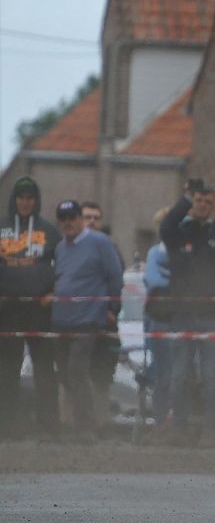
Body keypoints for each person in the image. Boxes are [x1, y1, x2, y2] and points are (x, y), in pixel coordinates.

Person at [160, 180, 215, 445]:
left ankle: (212, 431)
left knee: (211, 375)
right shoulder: (179, 233)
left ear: (213, 208)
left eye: (207, 202)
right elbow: (165, 226)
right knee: (179, 374)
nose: (202, 205)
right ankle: (179, 429)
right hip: (183, 314)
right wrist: (186, 198)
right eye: (198, 201)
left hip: (212, 314)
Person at [49, 200, 123, 439]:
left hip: (88, 319)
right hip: (61, 319)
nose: (68, 223)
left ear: (80, 218)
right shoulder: (60, 247)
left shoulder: (100, 242)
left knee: (78, 370)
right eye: (63, 219)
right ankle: (70, 423)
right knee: (64, 374)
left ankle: (86, 427)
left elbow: (115, 275)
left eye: (72, 217)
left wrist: (113, 307)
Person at [0, 176, 61, 438]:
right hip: (7, 310)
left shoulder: (49, 231)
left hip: (40, 309)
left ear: (36, 200)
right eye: (21, 197)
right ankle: (7, 426)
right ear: (14, 199)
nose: (25, 202)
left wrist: (54, 292)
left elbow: (63, 267)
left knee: (45, 368)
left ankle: (49, 427)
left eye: (30, 197)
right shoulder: (2, 227)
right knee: (6, 369)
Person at [79, 199, 125, 404]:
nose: (92, 221)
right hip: (76, 321)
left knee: (101, 379)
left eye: (96, 218)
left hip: (104, 321)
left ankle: (101, 425)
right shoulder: (68, 246)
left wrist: (112, 309)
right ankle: (70, 426)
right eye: (87, 217)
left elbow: (117, 282)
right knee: (74, 378)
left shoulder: (110, 247)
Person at [143, 206, 174, 424]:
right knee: (162, 374)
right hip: (160, 319)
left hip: (181, 320)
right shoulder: (155, 253)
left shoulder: (186, 251)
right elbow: (153, 280)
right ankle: (160, 419)